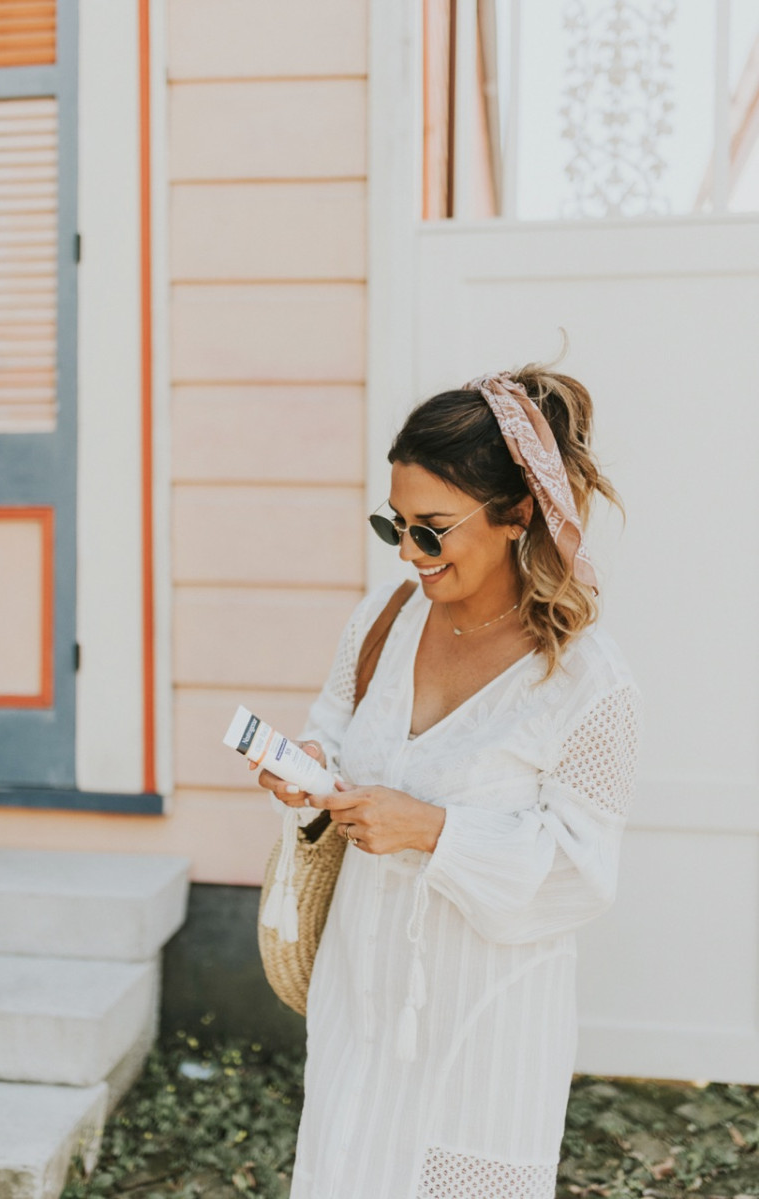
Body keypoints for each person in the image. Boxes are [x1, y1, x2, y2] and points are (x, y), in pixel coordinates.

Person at [254, 366, 641, 1199]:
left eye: (431, 530)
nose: (406, 552)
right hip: (360, 990)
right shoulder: (386, 617)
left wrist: (432, 828)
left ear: (517, 514)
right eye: (394, 524)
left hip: (483, 1023)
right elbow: (335, 728)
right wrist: (309, 771)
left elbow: (584, 872)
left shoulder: (586, 682)